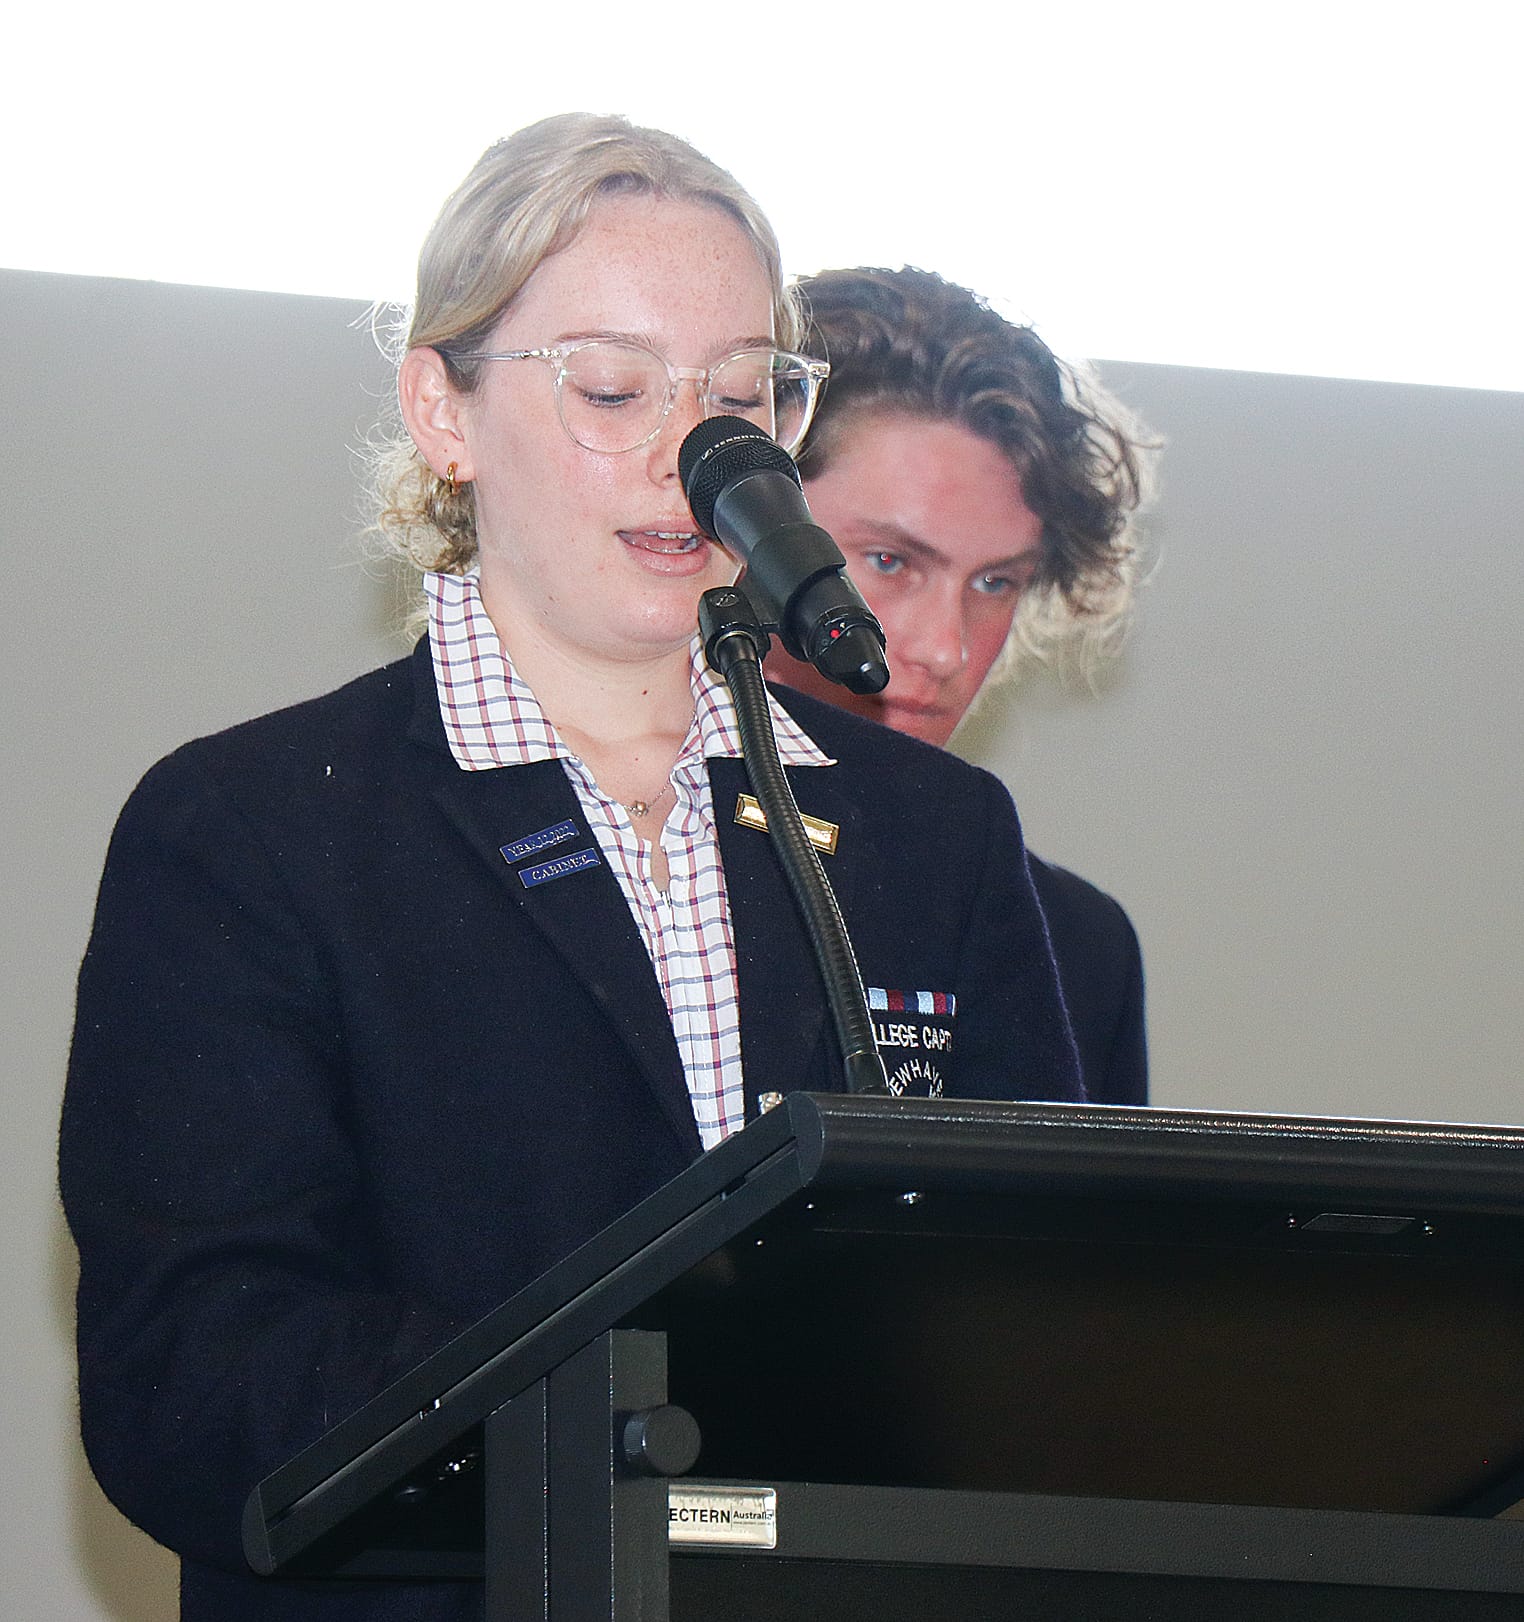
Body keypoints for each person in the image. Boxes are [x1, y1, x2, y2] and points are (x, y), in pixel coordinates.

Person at [59, 117, 1083, 1622]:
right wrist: (635, 1404)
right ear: (444, 411)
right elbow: (196, 1377)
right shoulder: (250, 831)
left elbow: (1050, 1314)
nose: (693, 453)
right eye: (613, 389)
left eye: (741, 394)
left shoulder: (938, 837)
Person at [766, 267, 1155, 1105]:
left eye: (994, 582)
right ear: (743, 525)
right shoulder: (623, 862)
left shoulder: (1076, 947)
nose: (946, 649)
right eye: (890, 561)